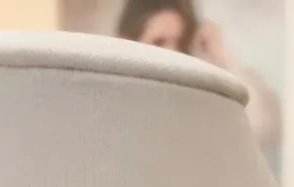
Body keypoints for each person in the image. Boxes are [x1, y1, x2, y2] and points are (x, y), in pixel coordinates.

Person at [116, 0, 282, 160]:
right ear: (128, 42)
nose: (172, 54)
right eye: (159, 43)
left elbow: (261, 128)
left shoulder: (193, 106)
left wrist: (224, 57)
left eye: (181, 44)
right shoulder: (117, 107)